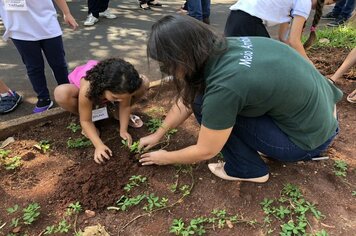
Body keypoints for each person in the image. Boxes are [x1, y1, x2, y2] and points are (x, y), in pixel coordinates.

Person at [138, 15, 342, 183]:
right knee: (204, 99)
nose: (166, 69)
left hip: (307, 144)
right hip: (325, 120)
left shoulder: (224, 87)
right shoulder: (230, 45)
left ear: (182, 58)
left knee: (202, 104)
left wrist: (165, 157)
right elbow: (186, 97)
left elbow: (206, 150)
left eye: (166, 64)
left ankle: (247, 169)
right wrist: (159, 134)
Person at [54, 58, 149, 164]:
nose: (121, 101)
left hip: (106, 98)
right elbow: (85, 121)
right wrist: (99, 145)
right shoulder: (88, 87)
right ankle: (92, 117)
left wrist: (123, 130)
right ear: (104, 87)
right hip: (88, 98)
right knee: (61, 93)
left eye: (125, 98)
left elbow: (125, 106)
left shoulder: (124, 86)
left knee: (143, 82)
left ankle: (116, 113)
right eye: (116, 98)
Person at [0, 0, 78, 113]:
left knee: (59, 64)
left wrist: (67, 13)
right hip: (19, 30)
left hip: (47, 24)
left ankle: (67, 91)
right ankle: (43, 98)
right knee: (33, 67)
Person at [224, 0, 337, 63]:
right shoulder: (305, 3)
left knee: (237, 62)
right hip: (247, 23)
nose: (321, 7)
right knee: (265, 64)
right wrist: (311, 67)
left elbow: (283, 38)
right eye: (327, 3)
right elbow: (294, 41)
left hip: (236, 18)